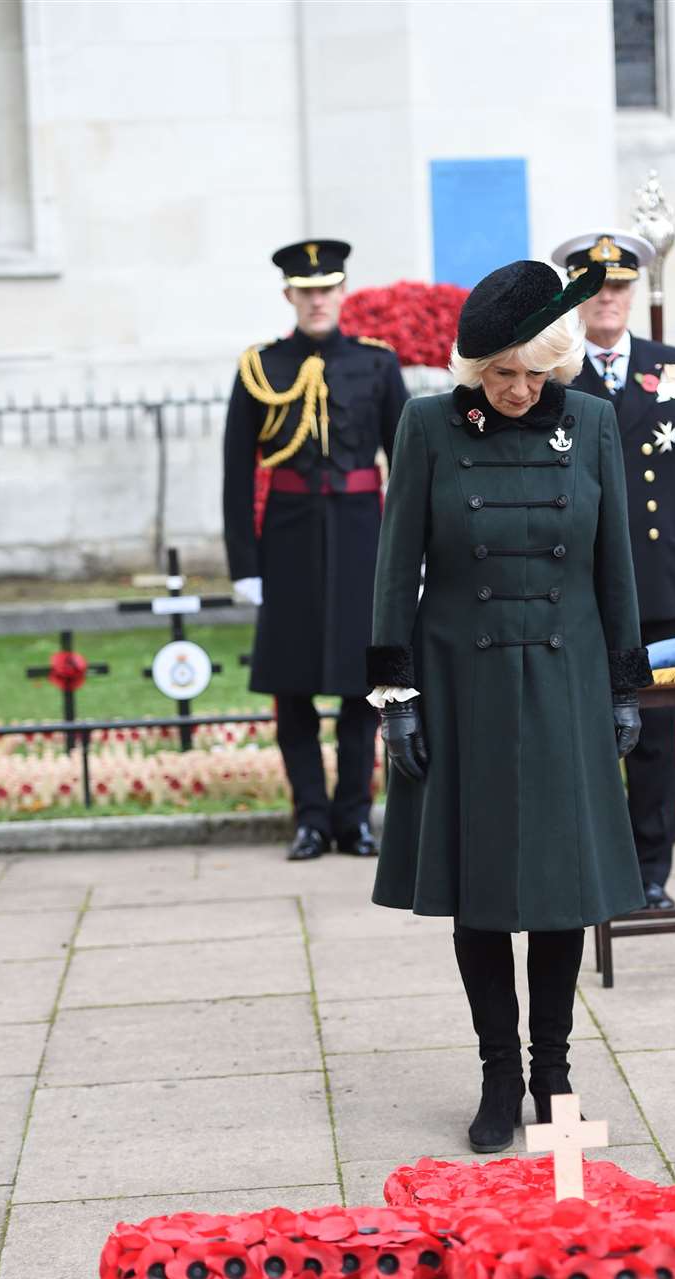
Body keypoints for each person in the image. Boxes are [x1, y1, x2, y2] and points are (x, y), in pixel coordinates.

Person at [366, 259, 649, 1153]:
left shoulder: (594, 423)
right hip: (463, 680)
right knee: (481, 890)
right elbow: (395, 560)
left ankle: (553, 1072)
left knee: (562, 888)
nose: (520, 391)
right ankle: (497, 1074)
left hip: (564, 679)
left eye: (534, 373)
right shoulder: (427, 426)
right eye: (501, 376)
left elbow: (615, 566)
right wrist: (396, 692)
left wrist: (623, 682)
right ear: (471, 372)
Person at [552, 230, 675, 909]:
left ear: (632, 293)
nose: (608, 299)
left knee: (652, 738)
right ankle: (590, 864)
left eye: (619, 286)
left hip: (653, 583)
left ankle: (651, 872)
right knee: (580, 733)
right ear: (577, 297)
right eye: (594, 288)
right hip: (577, 586)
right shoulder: (553, 371)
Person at [223, 238, 408, 860]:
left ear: (341, 293)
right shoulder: (260, 365)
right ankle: (309, 818)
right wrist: (245, 565)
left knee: (364, 684)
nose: (317, 301)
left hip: (361, 531)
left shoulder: (377, 365)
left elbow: (405, 467)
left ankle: (354, 818)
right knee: (294, 685)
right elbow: (234, 471)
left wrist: (413, 553)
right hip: (290, 534)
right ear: (289, 297)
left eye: (327, 289)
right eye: (306, 292)